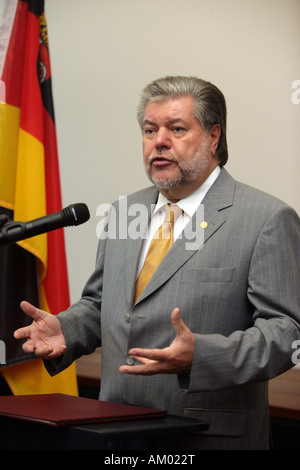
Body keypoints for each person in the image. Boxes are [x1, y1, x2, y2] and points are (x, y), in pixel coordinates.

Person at [14, 76, 300, 450]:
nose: (159, 141)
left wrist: (202, 356)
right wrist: (66, 330)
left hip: (203, 435)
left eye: (176, 128)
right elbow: (102, 304)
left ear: (214, 137)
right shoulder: (124, 211)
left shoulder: (265, 217)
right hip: (114, 430)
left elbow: (287, 333)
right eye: (150, 130)